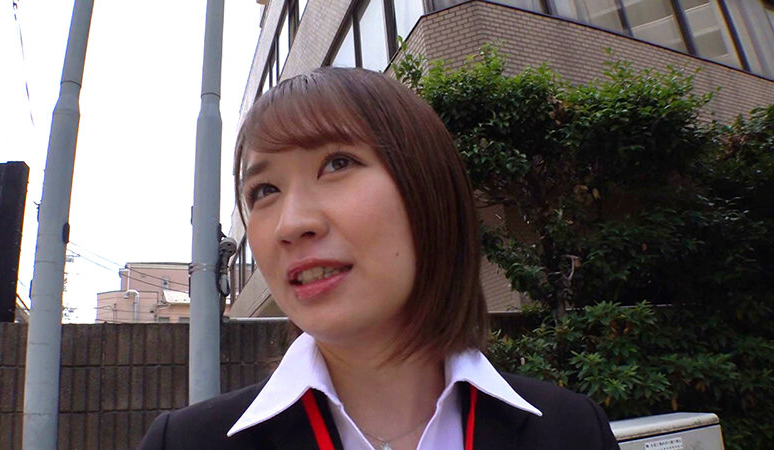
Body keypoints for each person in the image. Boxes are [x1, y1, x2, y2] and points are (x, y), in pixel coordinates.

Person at [138, 68, 619, 450]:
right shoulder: (183, 442)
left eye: (337, 163)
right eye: (264, 190)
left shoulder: (573, 431)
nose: (291, 223)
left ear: (428, 190)